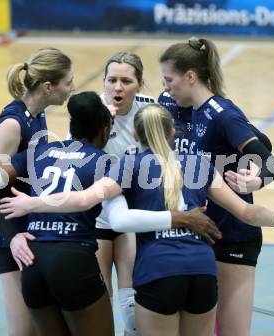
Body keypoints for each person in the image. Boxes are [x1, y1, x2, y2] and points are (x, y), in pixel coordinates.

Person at [0, 104, 274, 336]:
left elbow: (85, 199)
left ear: (136, 135)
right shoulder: (199, 164)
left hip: (159, 272)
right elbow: (247, 212)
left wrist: (32, 202)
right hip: (203, 271)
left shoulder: (128, 165)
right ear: (172, 133)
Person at [0, 93, 221, 335]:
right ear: (106, 130)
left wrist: (15, 221)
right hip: (73, 260)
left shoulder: (38, 152)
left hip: (33, 261)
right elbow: (113, 214)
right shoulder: (106, 163)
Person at [159, 37, 274, 336]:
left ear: (190, 76)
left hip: (233, 236)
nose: (165, 87)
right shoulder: (171, 105)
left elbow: (270, 161)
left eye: (168, 79)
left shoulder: (222, 114)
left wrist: (255, 180)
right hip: (192, 231)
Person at [0, 47, 74, 336]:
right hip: (10, 238)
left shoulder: (37, 115)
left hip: (32, 231)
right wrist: (13, 237)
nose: (72, 87)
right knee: (23, 331)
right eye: (68, 82)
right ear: (48, 86)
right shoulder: (12, 125)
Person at [95, 51, 157, 335]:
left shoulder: (150, 112)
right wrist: (101, 127)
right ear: (104, 82)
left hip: (131, 219)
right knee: (97, 304)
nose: (117, 87)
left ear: (140, 84)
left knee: (133, 311)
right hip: (96, 218)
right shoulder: (90, 110)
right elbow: (78, 161)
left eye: (126, 81)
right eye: (112, 80)